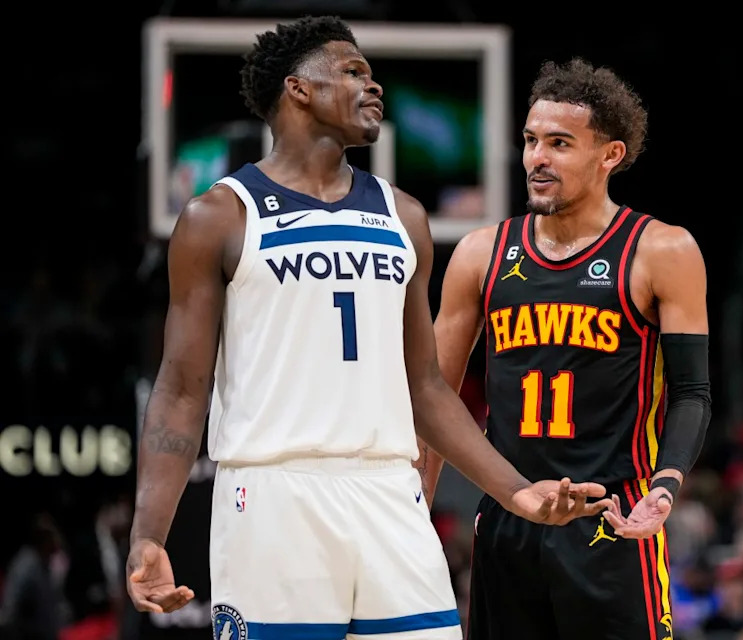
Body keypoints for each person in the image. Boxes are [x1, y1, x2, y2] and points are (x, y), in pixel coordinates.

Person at [124, 17, 611, 640]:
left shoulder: (402, 214)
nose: (373, 86)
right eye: (354, 72)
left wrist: (518, 493)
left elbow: (427, 386)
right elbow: (182, 388)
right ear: (298, 89)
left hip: (388, 490)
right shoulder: (219, 215)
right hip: (274, 494)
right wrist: (148, 534)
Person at [425, 58, 712, 640]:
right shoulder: (482, 253)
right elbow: (433, 396)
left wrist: (667, 484)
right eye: (531, 141)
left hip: (613, 518)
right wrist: (413, 510)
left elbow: (692, 391)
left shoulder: (662, 250)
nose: (537, 158)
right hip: (510, 514)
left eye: (559, 143)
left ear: (609, 154)